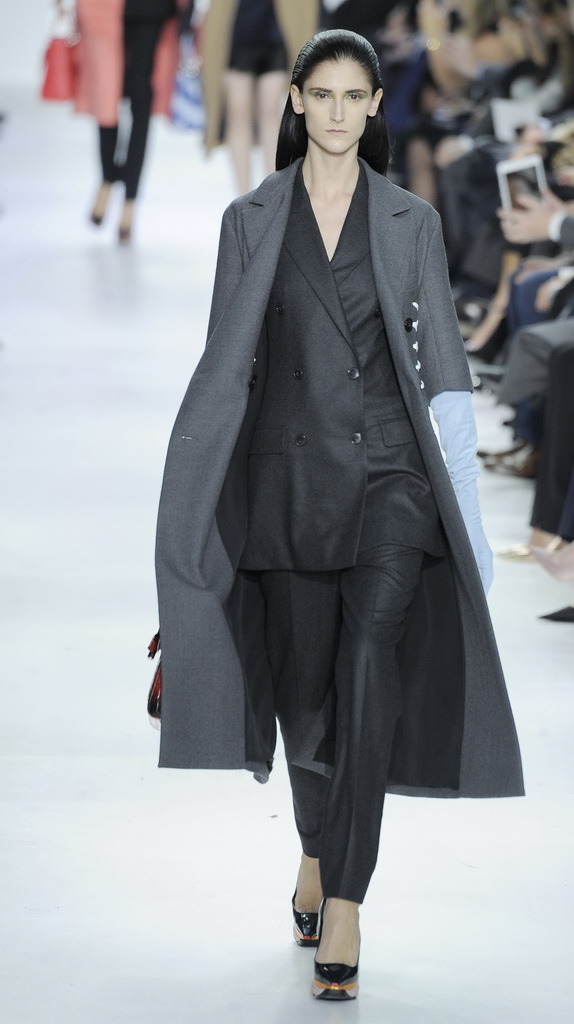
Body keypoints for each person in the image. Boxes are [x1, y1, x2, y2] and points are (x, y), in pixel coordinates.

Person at [154, 29, 523, 1001]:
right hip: (285, 485)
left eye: (354, 96)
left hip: (392, 480)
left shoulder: (410, 221)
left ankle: (347, 896)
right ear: (296, 101)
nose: (337, 112)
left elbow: (447, 374)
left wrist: (466, 517)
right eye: (321, 94)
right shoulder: (250, 220)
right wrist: (200, 516)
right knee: (304, 697)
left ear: (373, 108)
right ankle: (316, 847)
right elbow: (225, 375)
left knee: (366, 675)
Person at [74, 0, 183, 242]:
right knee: (106, 96)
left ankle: (128, 201)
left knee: (140, 102)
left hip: (150, 11)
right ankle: (108, 180)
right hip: (101, 8)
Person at [200, 0, 318, 193]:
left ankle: (271, 194)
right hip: (236, 28)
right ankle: (244, 196)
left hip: (277, 28)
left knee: (270, 111)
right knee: (238, 112)